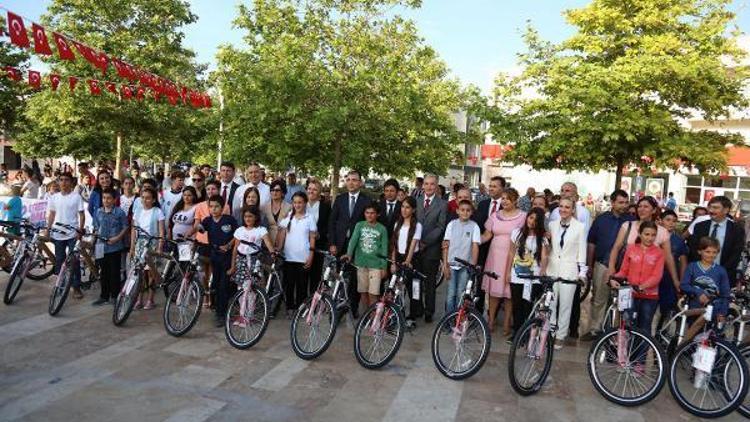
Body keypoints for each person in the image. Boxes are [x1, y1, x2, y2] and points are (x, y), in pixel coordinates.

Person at [581, 189, 635, 341]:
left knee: (621, 301)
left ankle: (615, 332)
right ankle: (595, 330)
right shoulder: (601, 219)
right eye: (620, 202)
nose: (624, 205)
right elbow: (591, 242)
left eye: (626, 202)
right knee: (599, 298)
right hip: (602, 264)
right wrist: (590, 265)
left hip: (625, 266)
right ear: (612, 203)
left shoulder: (632, 220)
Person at [608, 196, 681, 296]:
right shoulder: (628, 225)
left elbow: (668, 257)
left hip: (649, 281)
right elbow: (616, 247)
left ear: (654, 210)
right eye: (639, 206)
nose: (641, 209)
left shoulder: (662, 232)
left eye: (646, 207)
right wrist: (611, 268)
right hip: (626, 276)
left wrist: (675, 280)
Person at [480, 187, 526, 335]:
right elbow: (487, 235)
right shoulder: (495, 215)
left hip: (512, 256)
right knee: (494, 291)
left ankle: (507, 322)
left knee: (509, 292)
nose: (505, 201)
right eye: (503, 198)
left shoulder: (523, 216)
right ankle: (491, 320)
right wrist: (472, 241)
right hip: (495, 256)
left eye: (508, 198)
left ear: (515, 200)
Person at [328, 170, 371, 317]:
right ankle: (339, 307)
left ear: (360, 182)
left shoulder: (366, 201)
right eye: (349, 180)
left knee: (355, 278)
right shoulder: (340, 199)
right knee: (340, 276)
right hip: (340, 244)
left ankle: (353, 307)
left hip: (358, 247)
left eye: (354, 180)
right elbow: (332, 222)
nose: (351, 182)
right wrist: (332, 243)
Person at [610, 221, 665, 336]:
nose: (650, 238)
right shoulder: (631, 249)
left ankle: (641, 354)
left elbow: (657, 276)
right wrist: (614, 278)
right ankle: (625, 353)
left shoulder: (659, 253)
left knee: (645, 327)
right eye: (647, 234)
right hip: (630, 294)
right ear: (640, 234)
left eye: (653, 235)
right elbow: (624, 270)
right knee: (627, 324)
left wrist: (641, 287)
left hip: (650, 296)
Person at [547, 197, 588, 349]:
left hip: (569, 270)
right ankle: (550, 332)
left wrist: (582, 272)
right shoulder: (552, 225)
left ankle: (561, 335)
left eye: (567, 207)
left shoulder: (580, 227)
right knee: (551, 302)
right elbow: (548, 247)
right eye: (561, 207)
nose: (563, 209)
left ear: (572, 210)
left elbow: (582, 251)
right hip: (552, 267)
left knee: (565, 304)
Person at [228, 206, 276, 326]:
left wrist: (272, 253)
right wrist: (233, 266)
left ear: (256, 217)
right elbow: (235, 249)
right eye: (245, 216)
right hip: (241, 260)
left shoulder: (261, 230)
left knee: (251, 289)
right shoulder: (240, 230)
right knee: (240, 288)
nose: (248, 219)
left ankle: (249, 315)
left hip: (254, 261)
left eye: (250, 216)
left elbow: (268, 243)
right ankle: (241, 314)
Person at [506, 207, 549, 338]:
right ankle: (517, 332)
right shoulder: (516, 233)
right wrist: (508, 272)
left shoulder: (541, 238)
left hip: (533, 277)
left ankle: (526, 333)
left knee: (528, 306)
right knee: (516, 305)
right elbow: (511, 253)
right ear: (527, 217)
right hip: (517, 275)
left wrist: (542, 272)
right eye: (531, 218)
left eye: (536, 220)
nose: (532, 222)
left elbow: (545, 256)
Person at [687, 195, 745, 285]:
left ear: (726, 210)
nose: (711, 211)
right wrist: (702, 269)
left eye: (715, 208)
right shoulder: (700, 226)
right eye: (710, 207)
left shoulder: (736, 229)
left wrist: (719, 272)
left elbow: (735, 255)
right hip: (699, 275)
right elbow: (694, 249)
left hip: (724, 276)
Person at [46, 172, 85, 299]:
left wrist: (80, 230)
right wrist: (48, 229)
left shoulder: (76, 197)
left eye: (66, 180)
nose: (63, 182)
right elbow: (52, 214)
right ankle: (60, 284)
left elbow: (81, 214)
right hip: (57, 233)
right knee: (59, 259)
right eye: (61, 180)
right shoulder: (54, 197)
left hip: (72, 233)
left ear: (71, 182)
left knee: (74, 261)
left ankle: (76, 287)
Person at [200, 195, 238, 326]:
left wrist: (228, 245)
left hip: (227, 257)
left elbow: (237, 235)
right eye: (211, 206)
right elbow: (199, 227)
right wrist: (191, 232)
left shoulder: (229, 220)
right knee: (215, 284)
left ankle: (221, 314)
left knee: (223, 285)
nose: (213, 209)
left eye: (216, 206)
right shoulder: (207, 221)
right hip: (214, 256)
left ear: (223, 207)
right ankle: (218, 306)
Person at [415, 174, 448, 323]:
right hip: (415, 248)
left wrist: (425, 242)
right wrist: (417, 242)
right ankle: (417, 308)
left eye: (432, 184)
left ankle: (429, 311)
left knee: (429, 283)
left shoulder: (442, 204)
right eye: (426, 184)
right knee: (416, 280)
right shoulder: (416, 201)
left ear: (436, 186)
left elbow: (440, 227)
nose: (429, 187)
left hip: (432, 249)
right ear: (423, 185)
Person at [277, 191, 317, 317]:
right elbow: (282, 234)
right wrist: (278, 249)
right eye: (295, 202)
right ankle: (289, 307)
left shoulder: (309, 218)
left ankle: (300, 308)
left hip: (303, 257)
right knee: (289, 284)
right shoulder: (289, 217)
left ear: (305, 203)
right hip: (289, 257)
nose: (297, 205)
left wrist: (311, 256)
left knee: (302, 285)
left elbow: (312, 237)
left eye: (300, 202)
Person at [472, 175, 507, 314]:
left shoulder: (506, 205)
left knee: (497, 282)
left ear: (502, 188)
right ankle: (478, 312)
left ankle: (493, 314)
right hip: (482, 249)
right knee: (479, 281)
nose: (491, 188)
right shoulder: (483, 204)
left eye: (494, 186)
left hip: (499, 251)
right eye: (490, 186)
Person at [343, 204, 388, 308]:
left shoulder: (382, 229)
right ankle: (366, 317)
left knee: (373, 293)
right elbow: (353, 240)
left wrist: (384, 267)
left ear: (378, 214)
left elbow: (384, 249)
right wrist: (349, 254)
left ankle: (373, 319)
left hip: (376, 266)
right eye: (367, 213)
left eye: (372, 213)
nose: (369, 215)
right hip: (361, 264)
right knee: (363, 292)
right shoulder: (359, 225)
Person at [194, 181, 230, 308]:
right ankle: (206, 295)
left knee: (214, 273)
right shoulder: (199, 206)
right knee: (203, 272)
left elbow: (226, 225)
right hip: (202, 241)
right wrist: (191, 234)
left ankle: (214, 299)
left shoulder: (224, 206)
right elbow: (197, 225)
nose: (210, 191)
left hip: (217, 243)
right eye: (208, 189)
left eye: (213, 189)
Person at [443, 199, 481, 314]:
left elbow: (475, 246)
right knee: (451, 294)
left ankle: (458, 319)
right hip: (451, 265)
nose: (465, 212)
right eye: (462, 210)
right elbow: (445, 245)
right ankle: (448, 319)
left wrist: (473, 265)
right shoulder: (451, 225)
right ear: (457, 211)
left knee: (461, 293)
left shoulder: (474, 226)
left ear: (471, 212)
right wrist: (445, 265)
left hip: (465, 266)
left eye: (468, 210)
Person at [130, 187, 165, 310]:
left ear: (154, 199)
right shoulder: (138, 211)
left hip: (152, 244)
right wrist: (132, 247)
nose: (145, 200)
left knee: (151, 272)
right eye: (143, 197)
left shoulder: (158, 212)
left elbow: (161, 231)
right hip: (140, 243)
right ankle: (139, 299)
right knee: (139, 273)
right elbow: (133, 230)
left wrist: (160, 247)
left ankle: (150, 299)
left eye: (148, 198)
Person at [91, 189, 128, 305]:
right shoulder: (98, 212)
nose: (106, 201)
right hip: (101, 246)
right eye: (104, 198)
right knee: (104, 272)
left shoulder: (119, 213)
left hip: (115, 246)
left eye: (108, 198)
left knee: (114, 272)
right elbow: (96, 228)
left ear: (114, 200)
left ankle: (115, 295)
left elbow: (125, 227)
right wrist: (93, 241)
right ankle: (104, 295)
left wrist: (117, 238)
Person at [681, 237, 731, 321]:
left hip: (714, 310)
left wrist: (723, 312)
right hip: (693, 309)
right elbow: (683, 285)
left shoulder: (721, 271)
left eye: (714, 252)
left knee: (709, 334)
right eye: (707, 252)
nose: (711, 255)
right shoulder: (692, 267)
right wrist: (698, 292)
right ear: (699, 251)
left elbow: (725, 294)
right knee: (692, 332)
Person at [657, 209, 688, 326]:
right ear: (660, 221)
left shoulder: (679, 240)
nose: (671, 223)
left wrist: (682, 281)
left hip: (670, 277)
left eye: (674, 221)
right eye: (668, 220)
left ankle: (662, 332)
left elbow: (683, 262)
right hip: (653, 277)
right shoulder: (653, 236)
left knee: (667, 308)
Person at [306, 179, 331, 294]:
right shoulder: (300, 203)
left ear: (319, 192)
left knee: (315, 275)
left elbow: (328, 225)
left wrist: (320, 234)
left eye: (315, 189)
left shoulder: (325, 207)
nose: (311, 191)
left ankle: (312, 301)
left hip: (317, 245)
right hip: (301, 244)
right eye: (310, 188)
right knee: (302, 273)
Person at [390, 196, 422, 274]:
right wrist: (393, 263)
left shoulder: (417, 225)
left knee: (408, 284)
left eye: (407, 207)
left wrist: (407, 261)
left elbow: (412, 245)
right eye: (402, 206)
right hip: (398, 257)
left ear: (413, 210)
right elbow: (394, 244)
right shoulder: (397, 224)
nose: (404, 210)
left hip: (411, 258)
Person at [262, 179, 292, 247]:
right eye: (272, 190)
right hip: (268, 242)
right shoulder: (264, 207)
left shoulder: (289, 207)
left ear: (283, 193)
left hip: (284, 242)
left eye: (277, 190)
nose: (274, 192)